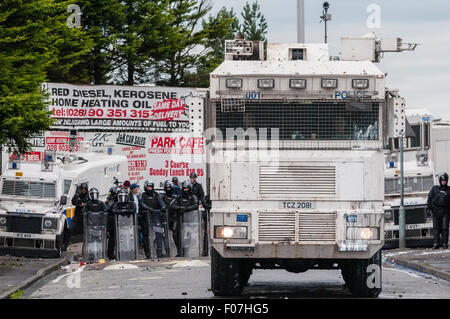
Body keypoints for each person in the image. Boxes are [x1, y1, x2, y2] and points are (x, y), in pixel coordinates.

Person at [171, 181, 199, 256]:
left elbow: (196, 206)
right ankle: (179, 251)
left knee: (188, 236)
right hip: (179, 219)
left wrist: (186, 209)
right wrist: (180, 208)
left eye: (187, 188)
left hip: (189, 220)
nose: (185, 190)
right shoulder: (179, 197)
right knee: (175, 234)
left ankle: (186, 250)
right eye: (184, 188)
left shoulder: (193, 197)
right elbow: (172, 205)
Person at [140, 181, 167, 258]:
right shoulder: (143, 195)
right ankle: (148, 254)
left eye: (151, 187)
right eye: (148, 187)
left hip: (156, 218)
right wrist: (149, 209)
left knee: (159, 234)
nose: (149, 188)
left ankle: (159, 252)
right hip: (146, 219)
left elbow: (161, 202)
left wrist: (163, 207)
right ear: (146, 187)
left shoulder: (156, 194)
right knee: (147, 236)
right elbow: (142, 204)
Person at [111, 188, 138, 259]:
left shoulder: (131, 203)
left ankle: (131, 254)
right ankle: (122, 255)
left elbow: (134, 210)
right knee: (122, 241)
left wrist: (126, 210)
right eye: (121, 196)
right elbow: (113, 210)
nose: (122, 198)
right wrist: (122, 211)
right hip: (120, 226)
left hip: (130, 225)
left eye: (124, 196)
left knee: (130, 241)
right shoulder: (117, 204)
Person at [427, 173, 450, 249]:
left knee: (445, 228)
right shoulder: (435, 189)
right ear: (440, 181)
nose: (444, 182)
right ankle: (436, 243)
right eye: (442, 180)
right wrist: (429, 208)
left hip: (445, 211)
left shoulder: (449, 189)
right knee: (436, 228)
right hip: (436, 211)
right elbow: (429, 198)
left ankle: (444, 243)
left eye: (445, 180)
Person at [63, 182, 89, 250]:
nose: (83, 191)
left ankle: (87, 248)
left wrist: (84, 204)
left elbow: (90, 204)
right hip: (77, 216)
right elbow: (73, 202)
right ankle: (64, 246)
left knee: (88, 232)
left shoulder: (88, 196)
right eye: (82, 190)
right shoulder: (78, 195)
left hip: (85, 217)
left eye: (84, 190)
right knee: (69, 230)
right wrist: (76, 197)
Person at [189, 172, 208, 256]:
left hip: (197, 204)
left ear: (195, 178)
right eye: (191, 178)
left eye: (193, 178)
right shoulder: (188, 185)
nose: (192, 179)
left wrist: (201, 202)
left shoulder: (198, 186)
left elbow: (201, 195)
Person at [161, 180, 178, 256]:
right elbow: (161, 204)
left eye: (169, 187)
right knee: (164, 234)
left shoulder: (175, 197)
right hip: (165, 217)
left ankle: (178, 250)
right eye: (167, 188)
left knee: (175, 234)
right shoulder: (163, 196)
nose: (168, 189)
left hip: (173, 217)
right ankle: (166, 251)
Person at [105, 186, 120, 259]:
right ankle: (111, 255)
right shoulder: (112, 201)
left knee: (114, 238)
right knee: (112, 239)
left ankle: (115, 253)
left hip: (115, 221)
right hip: (112, 222)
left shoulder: (114, 200)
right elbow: (109, 209)